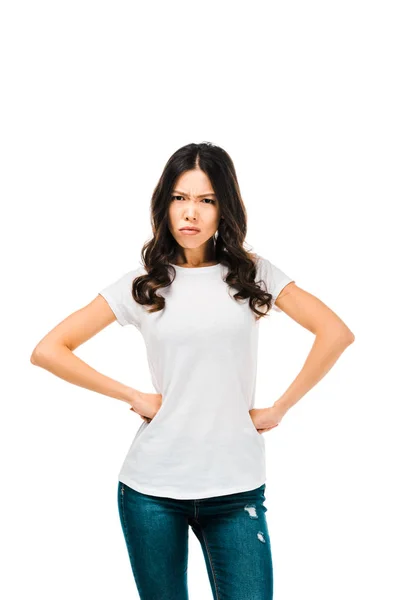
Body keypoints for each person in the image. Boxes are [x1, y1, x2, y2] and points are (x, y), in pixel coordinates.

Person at [31, 142, 355, 600]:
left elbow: (335, 332)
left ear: (225, 208)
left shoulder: (253, 275)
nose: (191, 212)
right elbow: (48, 350)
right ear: (164, 205)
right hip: (151, 491)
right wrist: (134, 396)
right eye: (180, 198)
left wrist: (281, 407)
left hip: (236, 489)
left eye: (207, 200)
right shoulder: (143, 285)